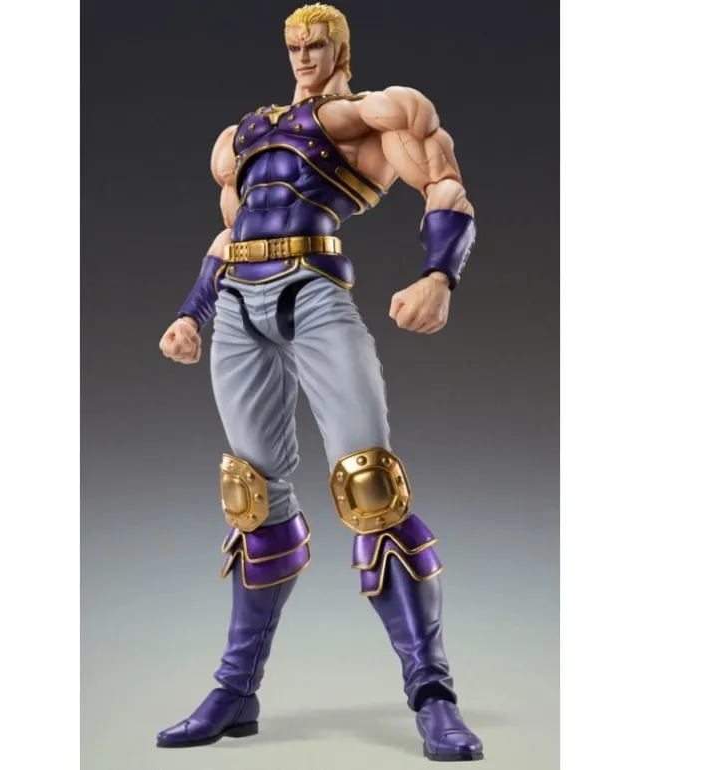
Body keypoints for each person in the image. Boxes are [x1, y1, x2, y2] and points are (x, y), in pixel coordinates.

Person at [156, 3, 482, 762]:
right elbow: (230, 232)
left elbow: (444, 184)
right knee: (252, 497)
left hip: (312, 287)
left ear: (340, 48)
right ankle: (236, 691)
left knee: (371, 486)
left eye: (316, 44)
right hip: (238, 304)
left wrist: (439, 276)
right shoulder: (241, 135)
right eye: (293, 45)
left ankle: (432, 694)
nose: (303, 56)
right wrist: (191, 312)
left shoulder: (376, 114)